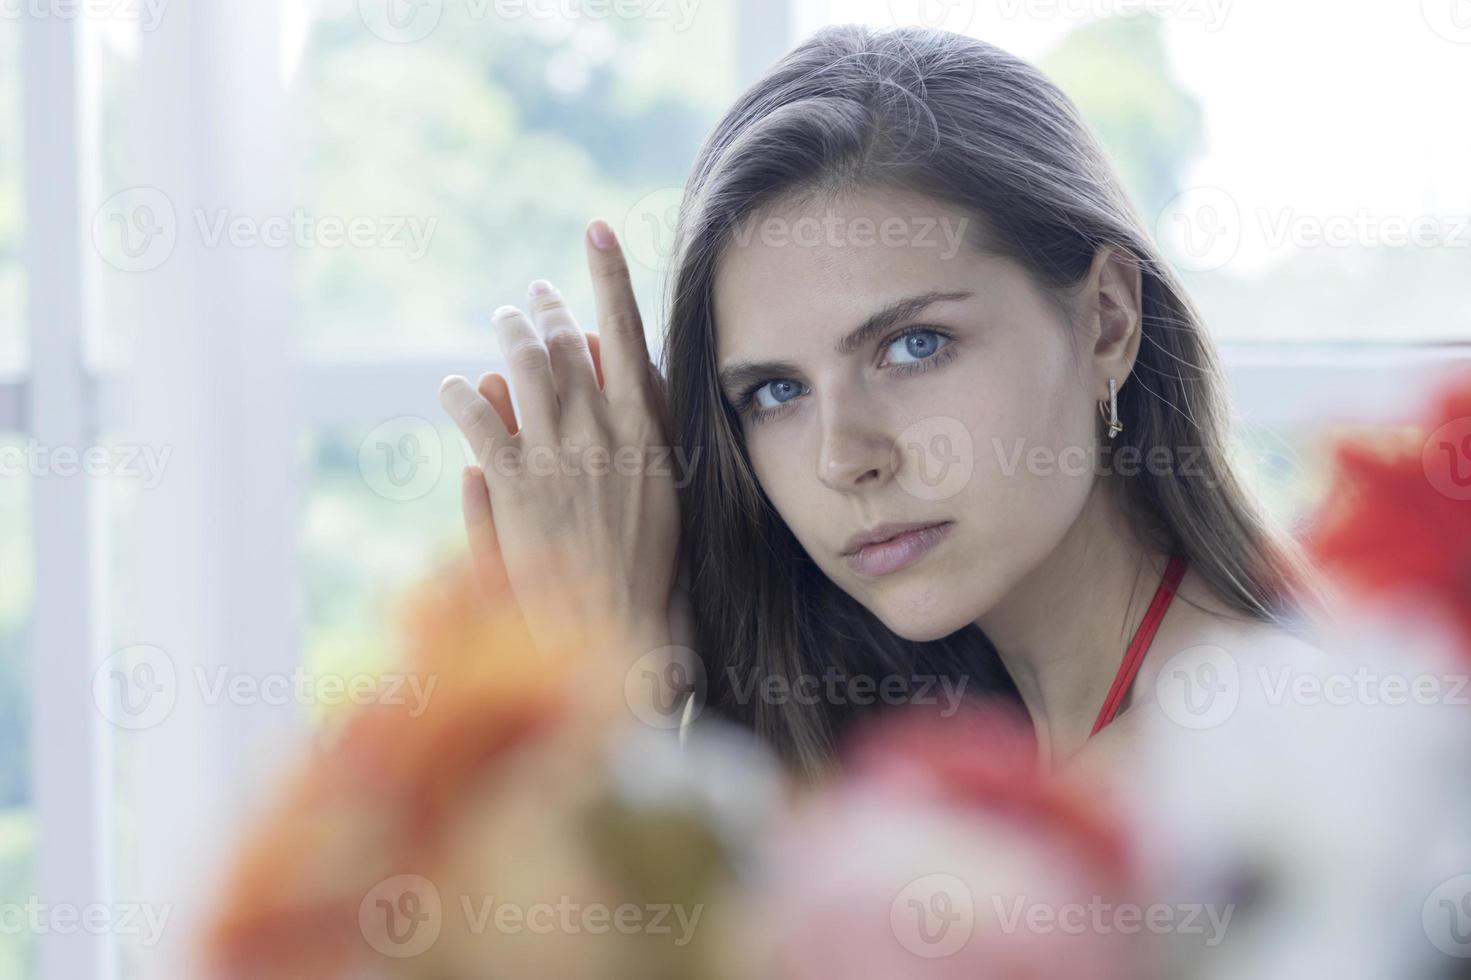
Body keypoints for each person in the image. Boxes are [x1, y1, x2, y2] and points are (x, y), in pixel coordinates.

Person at [438, 23, 1327, 782]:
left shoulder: (1255, 767)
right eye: (776, 391)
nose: (843, 457)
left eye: (913, 345)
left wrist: (603, 681)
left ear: (1105, 321)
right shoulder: (930, 751)